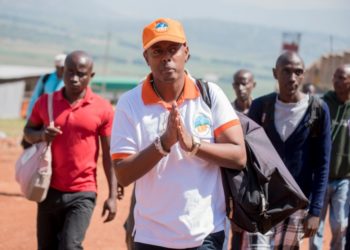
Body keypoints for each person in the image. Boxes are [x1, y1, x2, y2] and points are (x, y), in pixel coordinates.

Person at [110, 17, 246, 249]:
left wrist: (194, 145)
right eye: (157, 51)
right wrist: (163, 144)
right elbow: (123, 174)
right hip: (151, 237)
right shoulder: (130, 104)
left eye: (173, 49)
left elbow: (239, 156)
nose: (166, 57)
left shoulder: (210, 95)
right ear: (146, 58)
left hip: (206, 235)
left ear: (186, 52)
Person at [24, 50, 118, 249]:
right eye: (69, 72)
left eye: (81, 73)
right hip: (47, 189)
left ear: (90, 76)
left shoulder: (103, 108)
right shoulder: (45, 102)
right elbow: (28, 132)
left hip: (83, 191)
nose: (74, 78)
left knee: (70, 246)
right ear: (62, 72)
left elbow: (109, 154)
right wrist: (41, 135)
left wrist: (112, 195)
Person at [242, 51, 331, 249]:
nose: (292, 78)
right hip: (262, 201)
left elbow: (323, 164)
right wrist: (242, 203)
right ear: (275, 73)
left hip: (297, 204)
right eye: (286, 71)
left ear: (303, 74)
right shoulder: (261, 107)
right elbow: (246, 157)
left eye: (298, 72)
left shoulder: (318, 110)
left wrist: (315, 211)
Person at [310, 64, 350, 250]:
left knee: (340, 225)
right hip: (321, 177)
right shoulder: (323, 104)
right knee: (315, 224)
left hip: (344, 179)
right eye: (335, 76)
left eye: (341, 77)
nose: (335, 81)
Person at [26, 53, 66, 119]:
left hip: (60, 115)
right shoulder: (46, 78)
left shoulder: (69, 80)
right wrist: (30, 116)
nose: (62, 70)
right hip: (44, 114)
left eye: (64, 67)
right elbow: (35, 97)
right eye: (60, 67)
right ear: (56, 66)